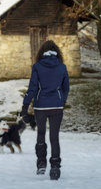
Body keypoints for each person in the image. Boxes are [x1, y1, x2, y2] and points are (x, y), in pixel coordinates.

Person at [20, 40, 70, 180]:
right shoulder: (62, 67)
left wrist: (25, 107)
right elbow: (66, 88)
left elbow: (32, 88)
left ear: (42, 52)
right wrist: (62, 100)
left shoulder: (37, 66)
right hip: (57, 107)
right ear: (56, 52)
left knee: (41, 134)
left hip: (40, 106)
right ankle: (55, 168)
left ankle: (41, 163)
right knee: (54, 137)